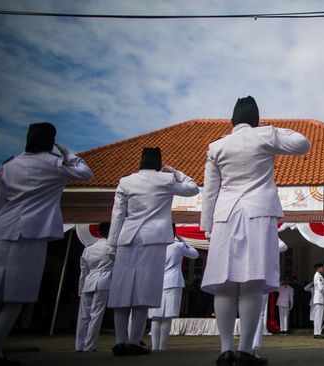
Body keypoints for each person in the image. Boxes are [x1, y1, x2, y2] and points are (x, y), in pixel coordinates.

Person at [199, 96, 310, 366]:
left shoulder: (217, 146)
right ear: (256, 120)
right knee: (251, 284)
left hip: (225, 214)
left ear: (232, 120)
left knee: (225, 285)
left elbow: (210, 191)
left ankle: (226, 349)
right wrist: (271, 131)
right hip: (258, 212)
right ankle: (246, 351)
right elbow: (302, 143)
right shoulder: (265, 136)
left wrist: (207, 226)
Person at [0, 122, 93, 365]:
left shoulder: (8, 165)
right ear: (51, 142)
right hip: (32, 232)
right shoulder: (54, 164)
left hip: (2, 229)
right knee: (17, 295)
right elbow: (85, 172)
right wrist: (68, 154)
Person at [107, 147, 199, 357]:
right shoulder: (165, 180)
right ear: (159, 164)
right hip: (154, 238)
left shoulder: (126, 181)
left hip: (128, 237)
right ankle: (133, 341)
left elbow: (118, 215)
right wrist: (175, 171)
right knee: (143, 291)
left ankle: (120, 341)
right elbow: (193, 188)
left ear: (140, 162)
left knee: (122, 291)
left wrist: (112, 244)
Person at [149, 224, 199, 352]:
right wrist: (184, 241)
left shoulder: (156, 246)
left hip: (157, 282)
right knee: (167, 317)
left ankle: (155, 347)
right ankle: (162, 347)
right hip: (173, 281)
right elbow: (194, 254)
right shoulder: (178, 245)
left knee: (156, 317)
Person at [76, 222, 114, 352]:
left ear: (98, 233)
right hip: (104, 281)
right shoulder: (112, 248)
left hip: (88, 281)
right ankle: (89, 345)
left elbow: (83, 271)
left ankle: (79, 345)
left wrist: (80, 289)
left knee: (84, 316)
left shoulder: (88, 248)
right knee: (96, 315)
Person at [311, 263, 324, 339]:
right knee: (318, 317)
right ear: (318, 268)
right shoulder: (318, 276)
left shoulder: (319, 276)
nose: (323, 269)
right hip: (319, 298)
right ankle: (317, 333)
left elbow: (322, 284)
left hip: (319, 299)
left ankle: (318, 332)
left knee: (319, 317)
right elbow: (321, 287)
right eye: (322, 268)